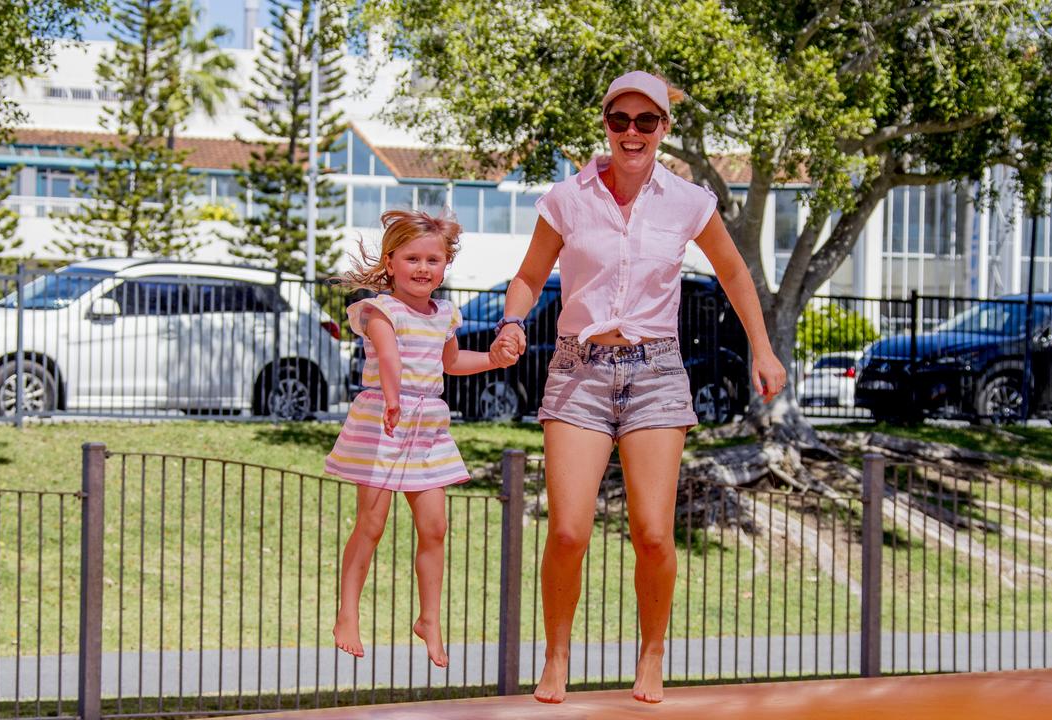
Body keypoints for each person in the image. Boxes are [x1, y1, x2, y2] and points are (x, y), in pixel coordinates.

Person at [490, 70, 787, 703]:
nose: (632, 133)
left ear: (663, 129)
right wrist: (513, 320)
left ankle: (651, 655)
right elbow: (528, 276)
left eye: (645, 122)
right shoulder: (568, 199)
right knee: (568, 530)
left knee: (653, 532)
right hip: (578, 370)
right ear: (606, 124)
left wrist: (762, 347)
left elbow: (733, 273)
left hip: (656, 373)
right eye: (620, 120)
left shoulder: (687, 201)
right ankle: (558, 653)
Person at [326, 209, 515, 665]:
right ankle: (346, 613)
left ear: (445, 266)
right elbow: (389, 357)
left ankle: (429, 617)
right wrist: (392, 400)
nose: (423, 268)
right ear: (390, 263)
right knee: (371, 525)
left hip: (428, 428)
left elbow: (450, 362)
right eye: (412, 258)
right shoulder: (378, 310)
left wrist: (492, 359)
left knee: (435, 527)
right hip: (384, 423)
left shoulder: (444, 314)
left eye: (433, 260)